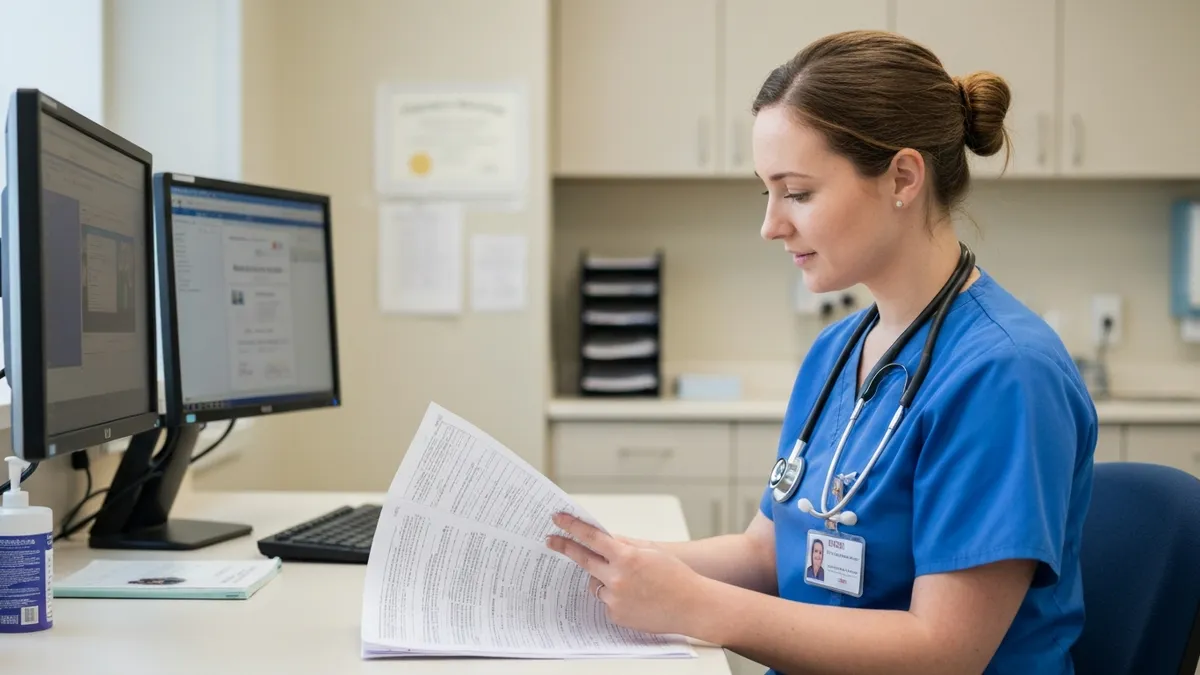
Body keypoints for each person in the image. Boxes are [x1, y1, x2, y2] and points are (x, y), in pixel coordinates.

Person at [546, 29, 1096, 675]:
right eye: (766, 192)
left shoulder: (1005, 374)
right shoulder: (841, 348)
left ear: (903, 176)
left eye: (798, 192)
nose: (771, 224)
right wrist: (605, 561)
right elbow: (768, 548)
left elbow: (944, 650)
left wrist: (696, 606)